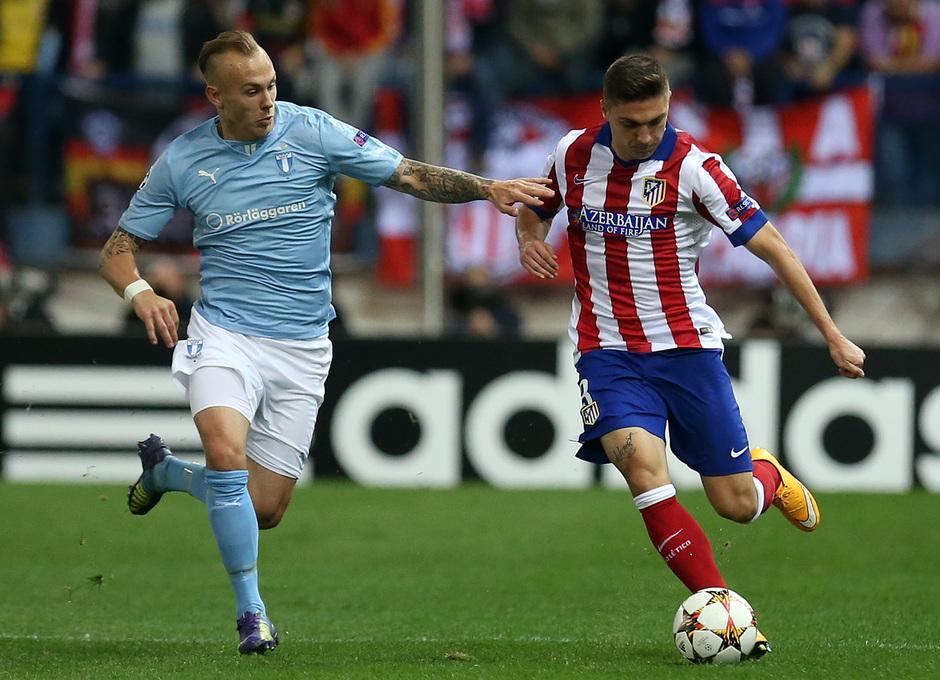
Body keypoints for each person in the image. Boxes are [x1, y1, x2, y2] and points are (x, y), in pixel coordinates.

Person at [98, 30, 552, 655]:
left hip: (303, 346)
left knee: (263, 509)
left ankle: (168, 474)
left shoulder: (312, 131)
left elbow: (408, 174)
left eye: (271, 86)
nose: (267, 100)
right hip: (224, 334)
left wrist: (487, 187)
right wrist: (140, 292)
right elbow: (117, 250)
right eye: (251, 91)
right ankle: (252, 615)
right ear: (215, 96)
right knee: (227, 455)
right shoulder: (184, 160)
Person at [515, 54, 865, 655]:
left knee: (736, 504)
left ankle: (767, 474)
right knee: (642, 471)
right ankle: (727, 618)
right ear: (605, 110)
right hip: (606, 352)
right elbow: (535, 207)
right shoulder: (571, 153)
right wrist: (528, 239)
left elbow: (774, 247)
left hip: (686, 351)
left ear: (670, 104)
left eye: (656, 120)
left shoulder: (697, 169)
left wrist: (831, 333)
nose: (646, 134)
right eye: (632, 124)